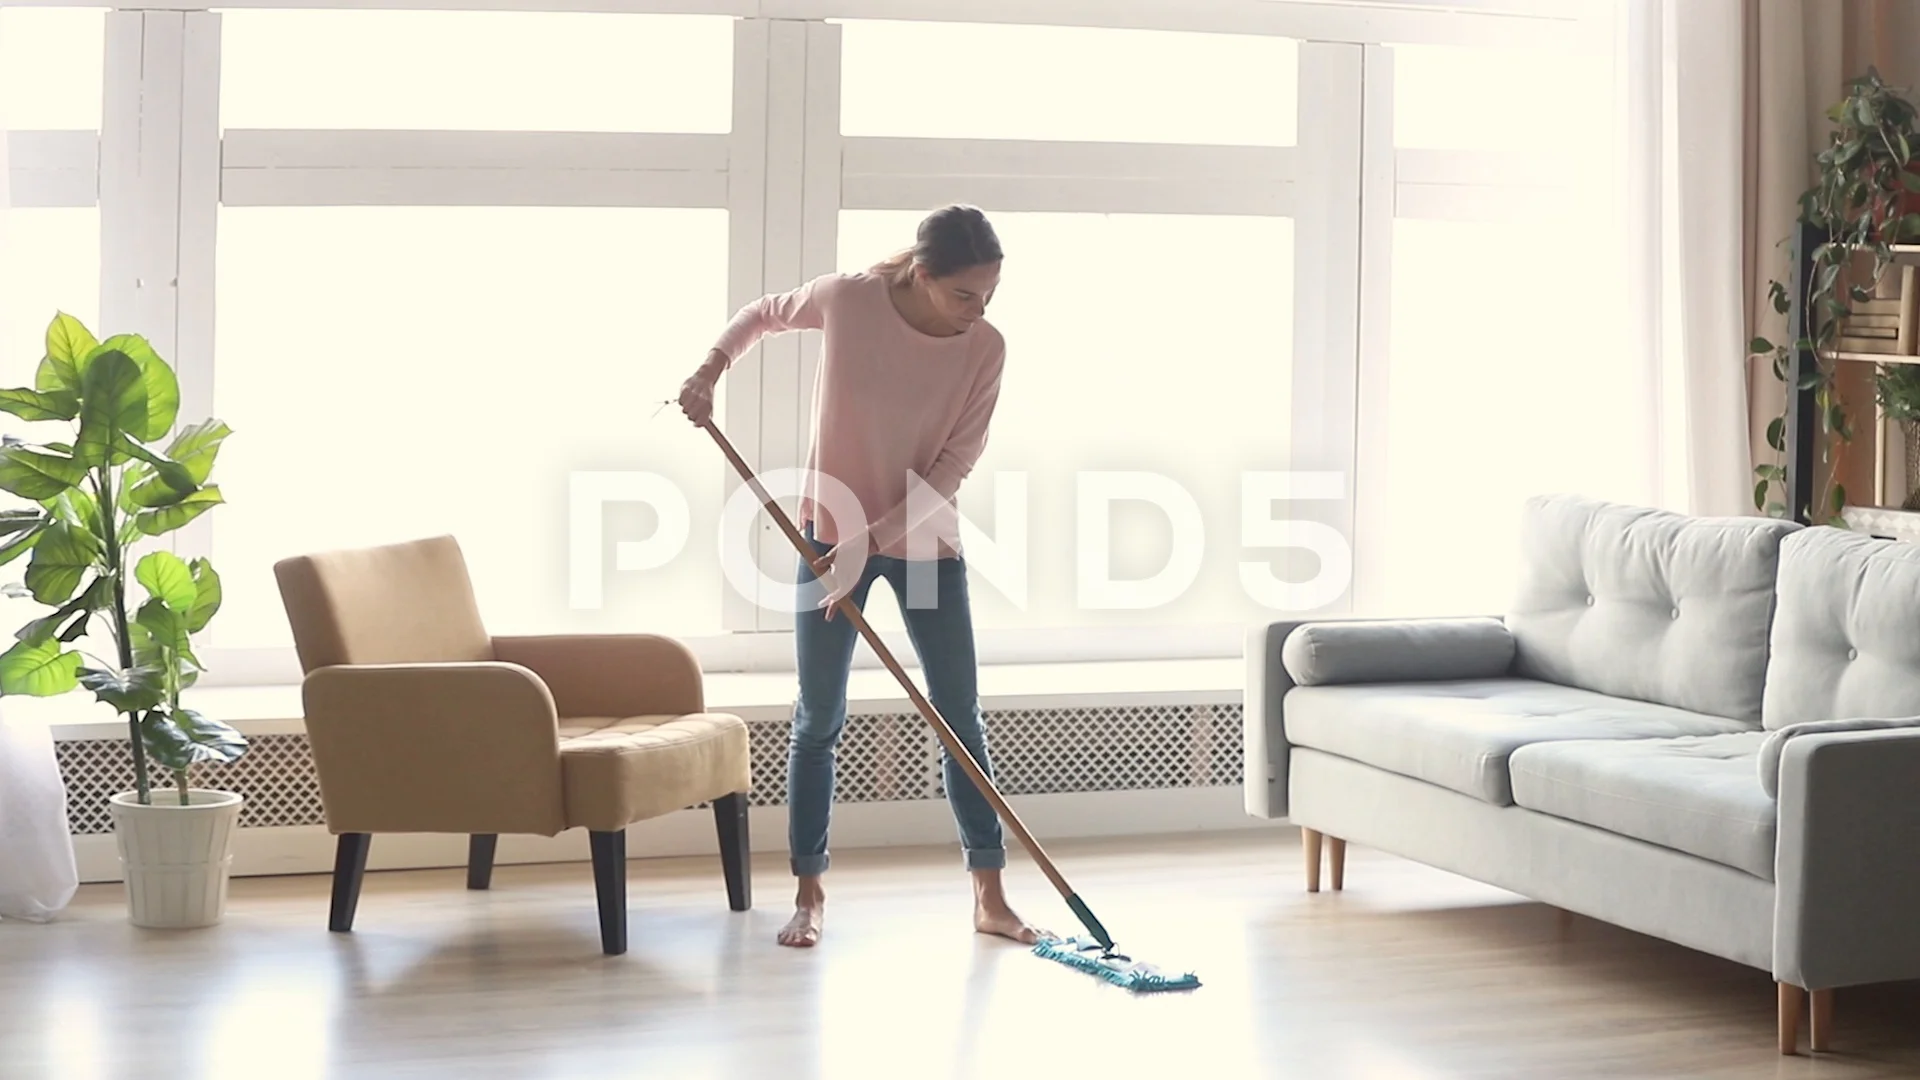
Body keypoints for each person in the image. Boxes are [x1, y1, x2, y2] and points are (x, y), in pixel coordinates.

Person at [678, 204, 1047, 950]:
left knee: (958, 721)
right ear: (921, 271)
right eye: (963, 296)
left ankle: (990, 896)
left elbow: (954, 464)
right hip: (824, 538)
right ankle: (809, 894)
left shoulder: (985, 349)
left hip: (924, 551)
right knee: (819, 719)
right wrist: (707, 371)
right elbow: (760, 315)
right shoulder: (849, 301)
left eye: (988, 297)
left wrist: (869, 543)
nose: (977, 313)